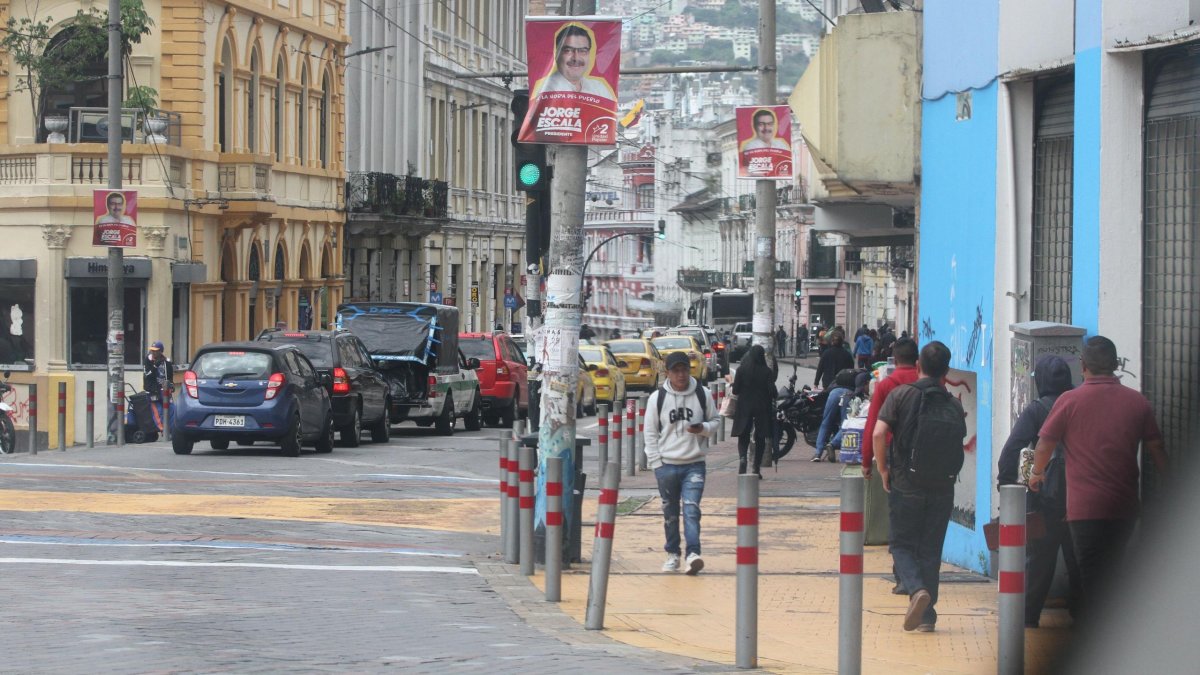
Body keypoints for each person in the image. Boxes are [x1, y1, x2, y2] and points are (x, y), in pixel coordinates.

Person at [1029, 336, 1167, 618]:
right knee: (1114, 572)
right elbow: (1157, 448)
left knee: (1090, 575)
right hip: (1124, 507)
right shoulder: (1137, 402)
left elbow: (1044, 445)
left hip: (1084, 510)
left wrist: (1036, 474)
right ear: (1116, 365)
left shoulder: (1070, 401)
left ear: (1083, 366)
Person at [873, 341, 966, 633]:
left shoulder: (901, 395)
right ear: (946, 371)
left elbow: (879, 432)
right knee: (930, 549)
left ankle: (916, 590)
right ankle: (927, 617)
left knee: (901, 545)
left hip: (906, 483)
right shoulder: (953, 403)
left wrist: (883, 469)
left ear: (917, 367)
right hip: (943, 487)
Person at [997, 354, 1082, 628]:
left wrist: (1008, 483)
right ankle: (1083, 613)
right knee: (1078, 558)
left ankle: (1028, 616)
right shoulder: (1079, 404)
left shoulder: (1036, 409)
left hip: (1044, 495)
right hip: (1081, 495)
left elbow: (1013, 449)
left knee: (1040, 560)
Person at [644, 351, 720, 575]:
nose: (681, 374)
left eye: (684, 369)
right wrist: (656, 463)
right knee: (670, 512)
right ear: (667, 372)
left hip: (694, 463)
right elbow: (649, 433)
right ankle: (673, 553)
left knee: (691, 509)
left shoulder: (702, 394)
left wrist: (703, 429)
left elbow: (715, 420)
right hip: (666, 464)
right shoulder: (657, 398)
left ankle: (693, 554)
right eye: (675, 370)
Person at [729, 344, 777, 477]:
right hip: (762, 408)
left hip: (744, 407)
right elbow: (773, 392)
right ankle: (756, 467)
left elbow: (736, 390)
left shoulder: (742, 370)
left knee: (743, 435)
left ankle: (743, 458)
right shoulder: (767, 372)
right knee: (760, 437)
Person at [531, 24, 616, 99]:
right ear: (557, 54)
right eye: (568, 50)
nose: (576, 58)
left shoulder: (600, 88)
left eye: (582, 51)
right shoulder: (545, 89)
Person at [812, 368, 856, 462]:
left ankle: (818, 453)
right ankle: (832, 444)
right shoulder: (860, 375)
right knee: (846, 423)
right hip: (848, 394)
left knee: (825, 423)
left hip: (834, 393)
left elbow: (828, 388)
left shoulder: (840, 374)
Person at [142, 340, 174, 431]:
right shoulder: (148, 360)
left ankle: (171, 429)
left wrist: (171, 385)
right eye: (152, 350)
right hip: (153, 391)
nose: (154, 352)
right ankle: (163, 430)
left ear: (160, 351)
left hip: (164, 389)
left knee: (172, 409)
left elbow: (170, 376)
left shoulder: (166, 361)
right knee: (158, 411)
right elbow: (147, 375)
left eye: (156, 350)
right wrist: (155, 366)